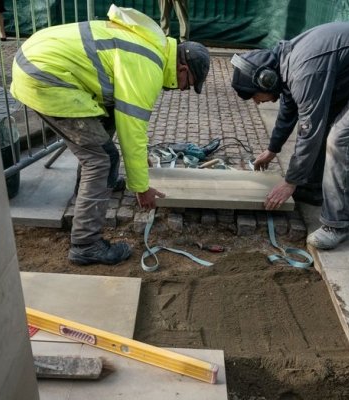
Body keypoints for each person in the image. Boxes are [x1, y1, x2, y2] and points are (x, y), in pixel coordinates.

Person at [11, 6, 210, 266]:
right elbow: (133, 129)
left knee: (107, 124)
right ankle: (85, 244)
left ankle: (94, 186)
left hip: (39, 61)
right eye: (189, 83)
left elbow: (123, 119)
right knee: (102, 159)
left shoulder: (153, 46)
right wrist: (141, 186)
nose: (185, 90)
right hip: (47, 77)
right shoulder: (148, 67)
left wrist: (140, 159)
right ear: (182, 68)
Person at [231, 22, 349, 250]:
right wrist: (273, 149)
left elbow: (309, 131)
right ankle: (313, 189)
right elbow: (289, 112)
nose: (258, 102)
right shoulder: (284, 68)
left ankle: (338, 225)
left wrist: (290, 182)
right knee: (323, 126)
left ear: (266, 79)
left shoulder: (303, 72)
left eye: (256, 96)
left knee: (342, 140)